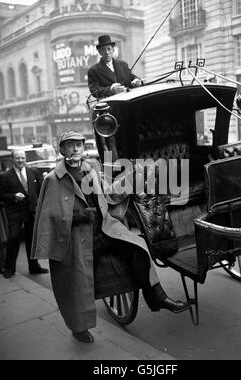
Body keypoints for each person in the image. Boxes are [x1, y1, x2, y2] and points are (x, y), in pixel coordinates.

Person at [31, 131, 188, 344]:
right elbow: (48, 216)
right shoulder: (53, 179)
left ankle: (159, 298)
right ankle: (79, 328)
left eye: (79, 144)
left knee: (138, 249)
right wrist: (77, 216)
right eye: (70, 145)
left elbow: (109, 194)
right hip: (76, 241)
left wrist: (132, 180)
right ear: (62, 150)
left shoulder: (91, 169)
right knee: (74, 285)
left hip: (104, 230)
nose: (76, 149)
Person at [0, 150, 49, 279]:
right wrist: (14, 196)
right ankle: (9, 268)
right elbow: (0, 195)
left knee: (31, 240)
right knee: (13, 238)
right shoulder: (5, 176)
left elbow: (40, 190)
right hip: (14, 211)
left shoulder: (34, 172)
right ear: (12, 159)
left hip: (31, 211)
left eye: (22, 158)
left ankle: (34, 266)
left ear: (25, 159)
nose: (20, 160)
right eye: (17, 158)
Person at [88, 35, 142, 99]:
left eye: (109, 49)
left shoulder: (123, 65)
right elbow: (94, 91)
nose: (107, 52)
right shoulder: (93, 71)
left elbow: (132, 77)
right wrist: (110, 90)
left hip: (128, 101)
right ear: (100, 52)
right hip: (110, 105)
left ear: (113, 50)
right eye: (103, 50)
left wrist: (137, 81)